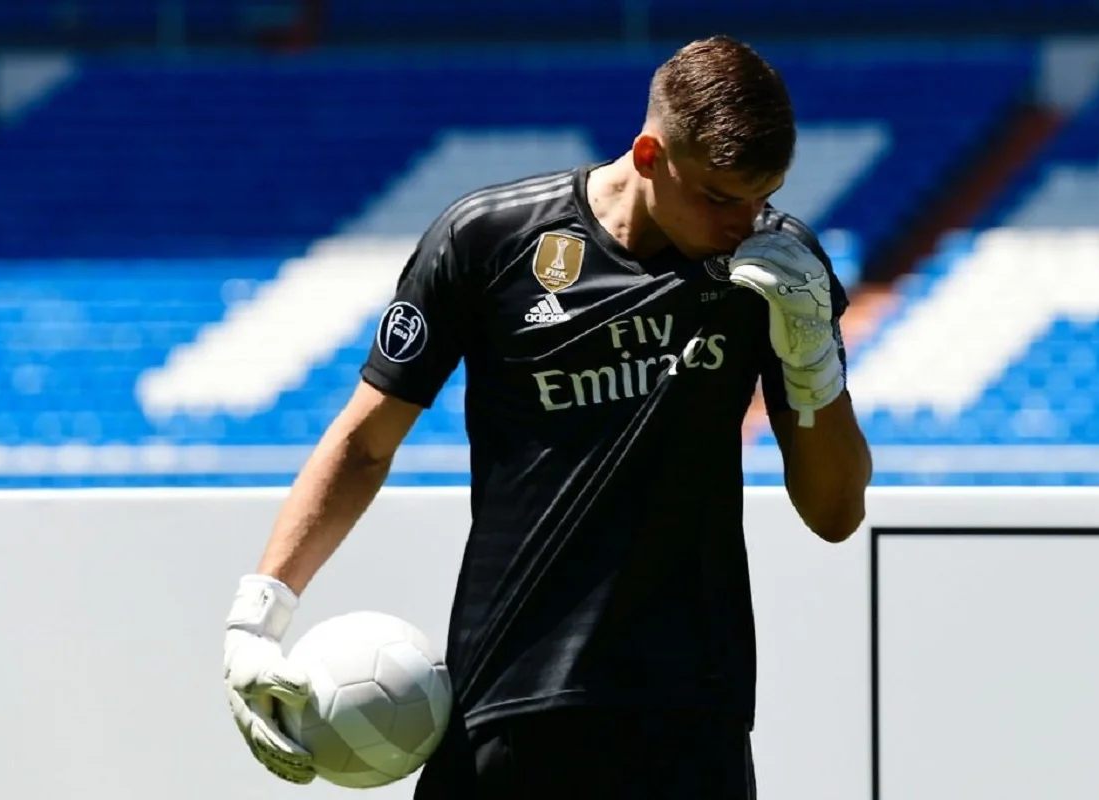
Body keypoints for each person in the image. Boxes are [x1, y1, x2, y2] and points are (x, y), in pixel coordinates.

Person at [223, 34, 873, 798]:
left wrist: (812, 362)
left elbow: (835, 513)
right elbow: (366, 443)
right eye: (720, 197)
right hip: (502, 703)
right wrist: (257, 615)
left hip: (690, 715)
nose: (744, 222)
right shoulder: (488, 239)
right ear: (649, 155)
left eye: (762, 198)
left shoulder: (776, 269)